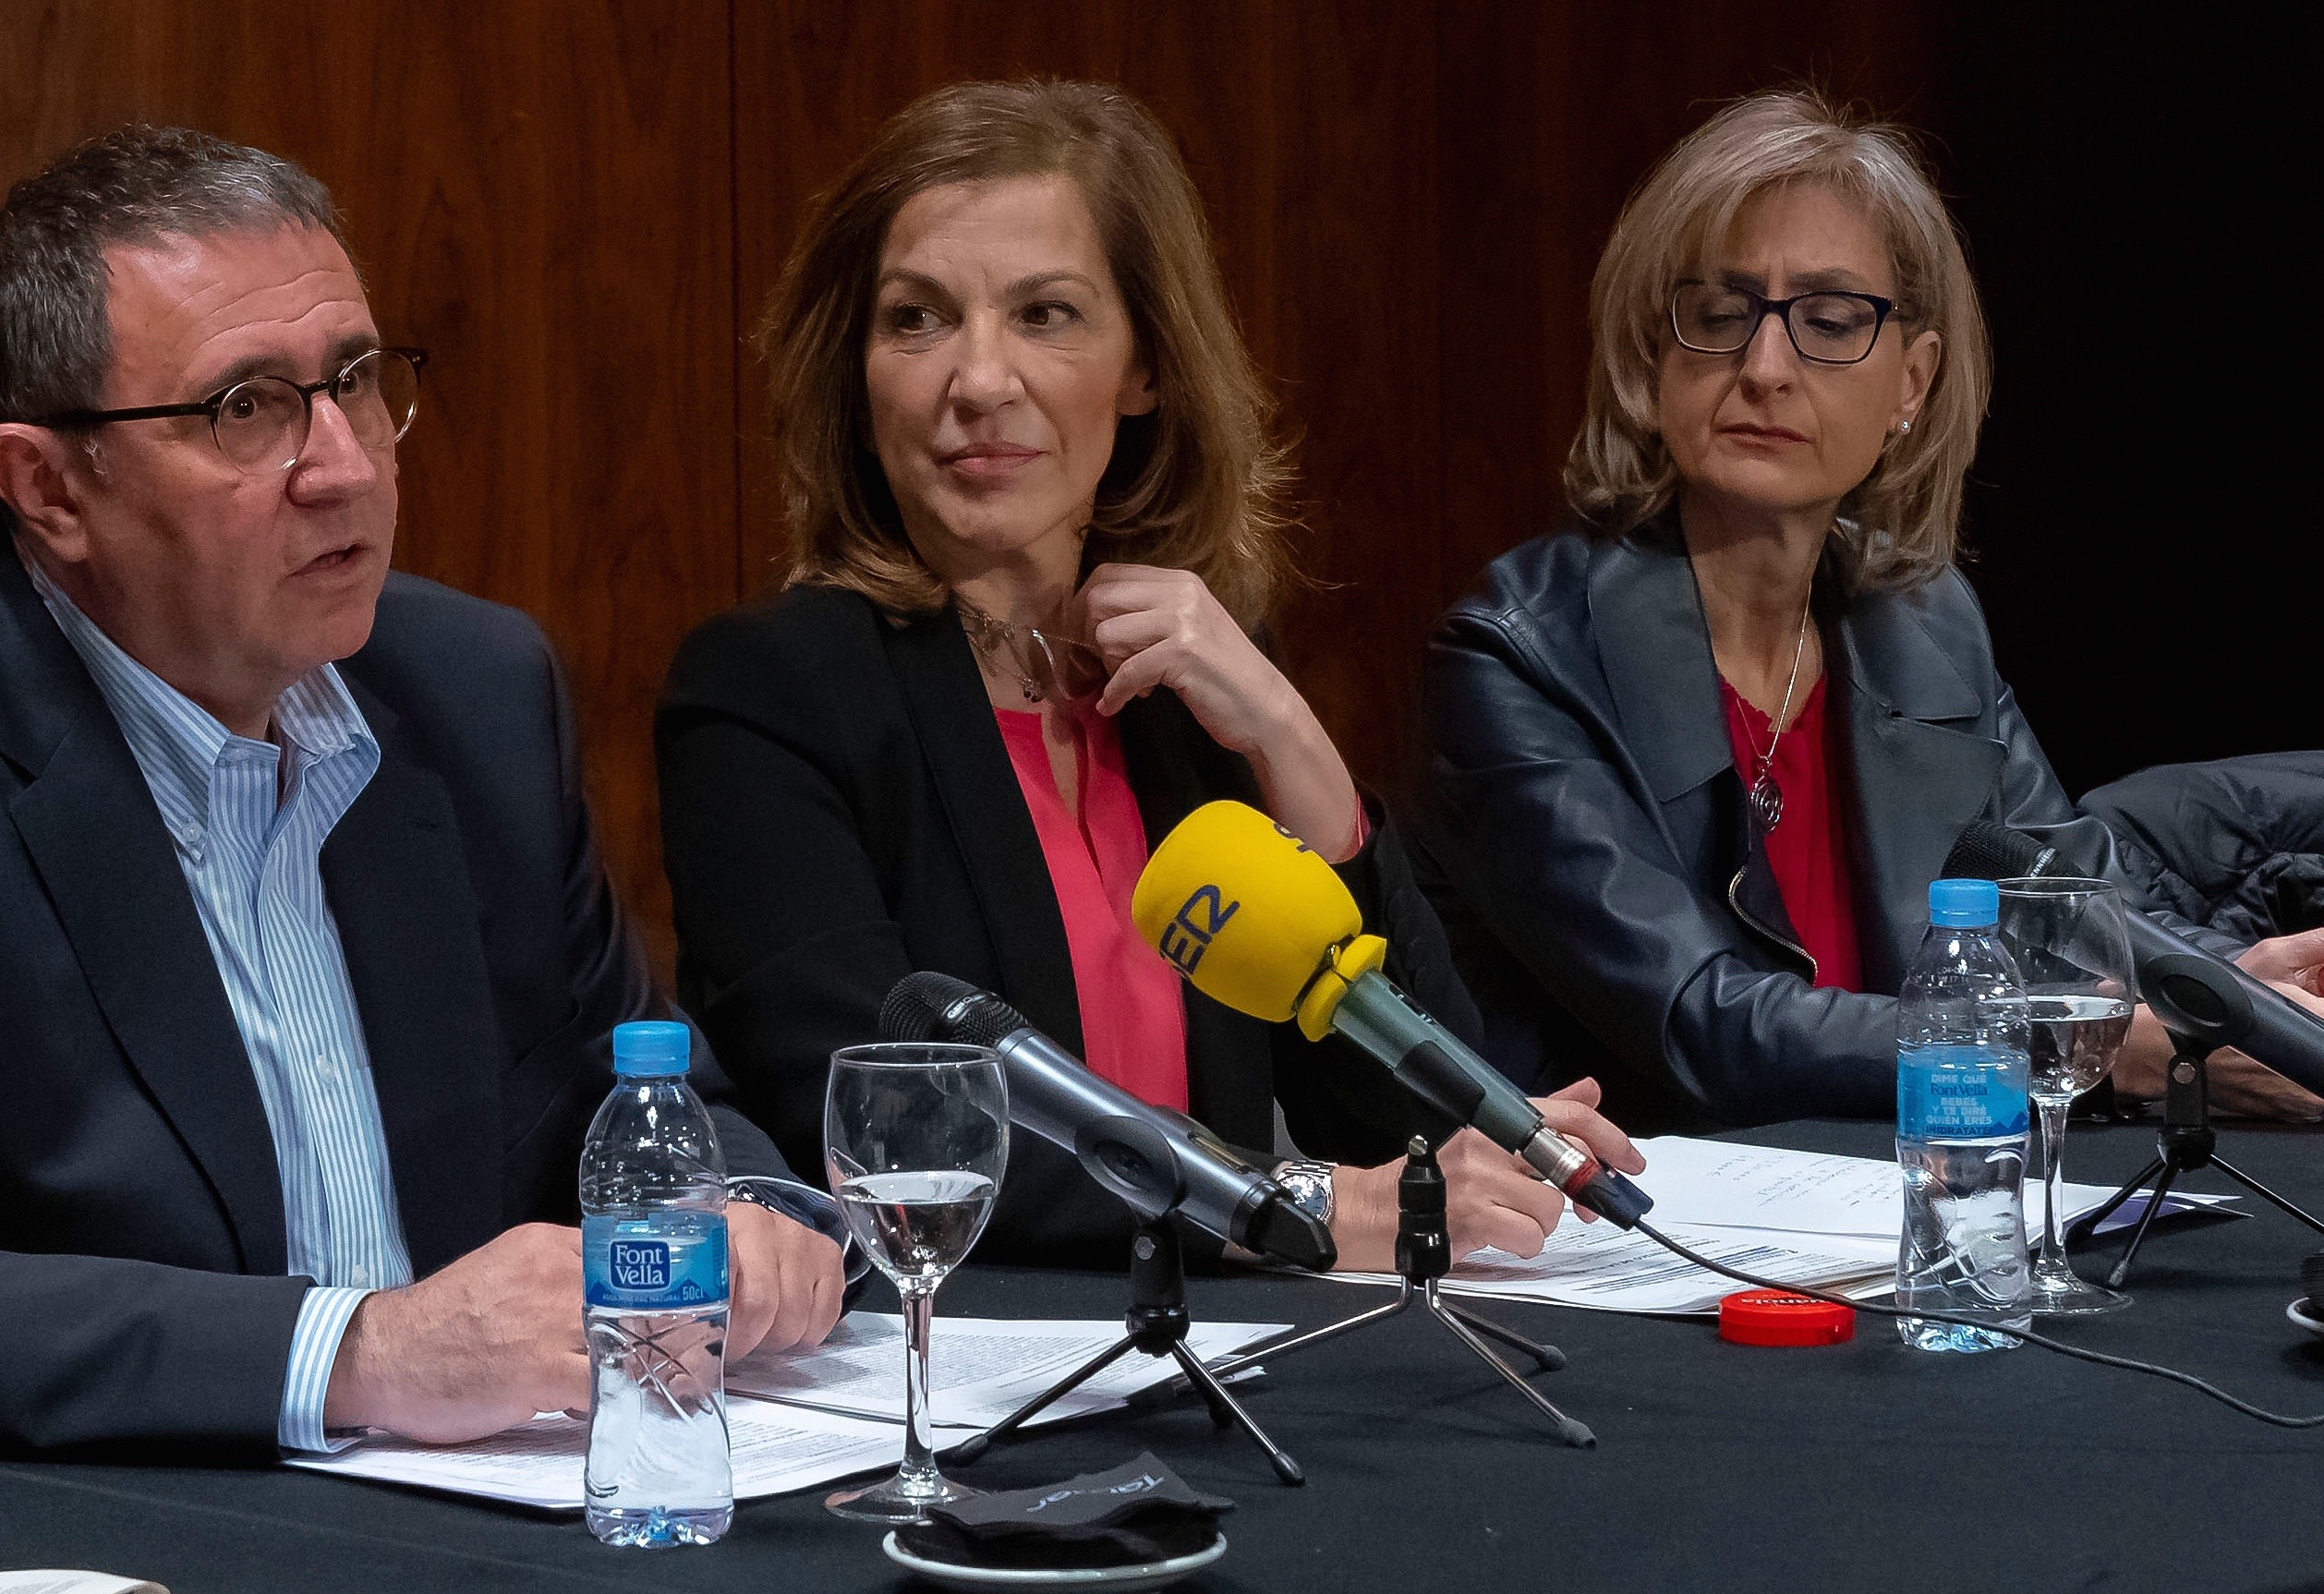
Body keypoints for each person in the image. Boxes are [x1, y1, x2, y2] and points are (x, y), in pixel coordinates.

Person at [0, 127, 848, 1460]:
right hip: (123, 1564)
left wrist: (742, 1206)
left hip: (489, 1522)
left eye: (353, 381)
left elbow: (631, 1076)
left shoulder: (473, 694)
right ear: (47, 487)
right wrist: (362, 1355)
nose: (343, 464)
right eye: (245, 409)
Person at [660, 79, 1640, 1266]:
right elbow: (898, 1138)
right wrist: (1300, 1208)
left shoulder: (1193, 684)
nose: (976, 380)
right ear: (853, 371)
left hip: (1239, 1365)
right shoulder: (771, 694)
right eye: (915, 319)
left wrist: (1292, 748)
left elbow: (1403, 1131)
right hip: (967, 1373)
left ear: (1145, 367)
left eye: (1045, 314)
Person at [1426, 91, 2324, 1133]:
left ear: (1910, 386)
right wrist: (2098, 1046)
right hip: (1647, 1240)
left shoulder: (1919, 619)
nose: (1764, 368)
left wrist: (2242, 995)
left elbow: (2071, 906)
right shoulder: (1517, 657)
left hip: (1903, 1199)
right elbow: (1700, 1025)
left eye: (1830, 323)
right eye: (1717, 315)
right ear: (1651, 359)